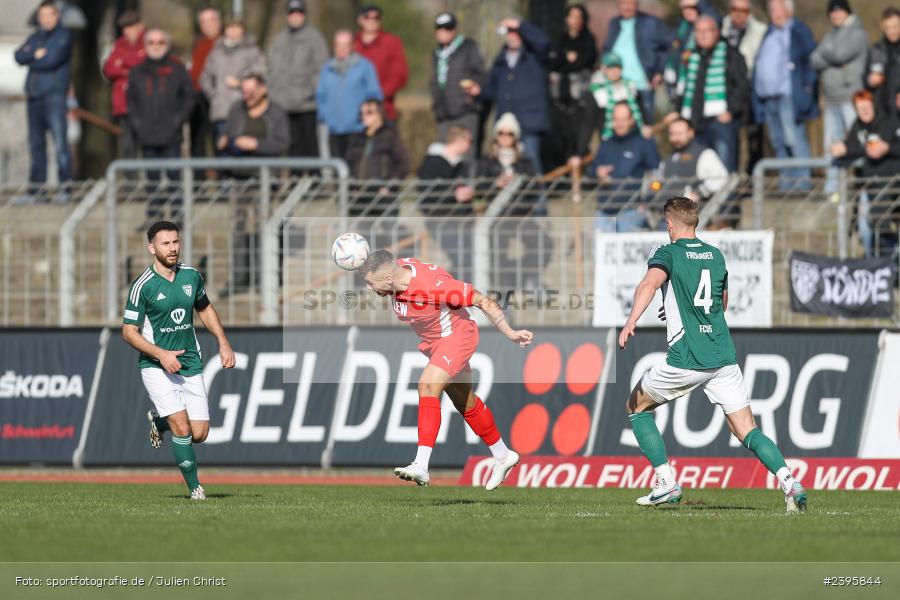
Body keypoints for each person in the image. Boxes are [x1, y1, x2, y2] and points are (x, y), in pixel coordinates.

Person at [619, 196, 807, 512]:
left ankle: (666, 482)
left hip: (688, 357)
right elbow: (721, 302)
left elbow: (649, 285)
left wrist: (631, 320)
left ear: (669, 223)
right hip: (722, 357)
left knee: (636, 406)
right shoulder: (715, 255)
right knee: (746, 429)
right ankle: (789, 482)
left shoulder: (667, 253)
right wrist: (683, 308)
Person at [359, 250, 532, 489]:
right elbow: (383, 261)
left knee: (427, 386)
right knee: (464, 401)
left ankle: (421, 465)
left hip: (456, 338)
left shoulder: (433, 286)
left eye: (371, 283)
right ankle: (503, 456)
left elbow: (481, 300)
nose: (369, 288)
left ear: (388, 280)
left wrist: (510, 332)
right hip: (436, 343)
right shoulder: (397, 270)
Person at [123, 221, 236, 501]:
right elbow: (128, 332)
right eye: (165, 243)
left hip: (189, 362)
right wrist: (160, 354)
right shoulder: (142, 286)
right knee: (182, 428)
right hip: (156, 365)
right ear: (151, 248)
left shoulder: (191, 276)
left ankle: (159, 422)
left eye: (175, 242)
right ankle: (196, 489)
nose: (172, 248)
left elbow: (205, 309)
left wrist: (223, 342)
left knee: (199, 433)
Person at [126, 29, 194, 220]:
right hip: (147, 135)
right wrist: (138, 124)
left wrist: (178, 120)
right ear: (145, 45)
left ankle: (177, 216)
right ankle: (154, 216)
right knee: (152, 178)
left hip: (172, 134)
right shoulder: (138, 71)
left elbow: (189, 97)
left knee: (173, 176)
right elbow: (131, 101)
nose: (156, 46)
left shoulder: (177, 69)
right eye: (152, 42)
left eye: (160, 42)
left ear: (167, 45)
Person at [667, 16, 748, 172]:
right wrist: (678, 110)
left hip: (719, 121)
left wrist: (731, 110)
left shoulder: (730, 54)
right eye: (698, 31)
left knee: (724, 164)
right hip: (695, 121)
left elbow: (741, 85)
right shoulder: (689, 55)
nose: (702, 35)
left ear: (716, 32)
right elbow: (683, 87)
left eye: (707, 31)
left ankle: (727, 189)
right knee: (698, 165)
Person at [752, 0, 818, 189]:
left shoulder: (799, 31)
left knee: (794, 140)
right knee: (778, 143)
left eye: (779, 9)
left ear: (789, 10)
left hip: (789, 97)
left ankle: (802, 184)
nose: (775, 13)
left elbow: (811, 62)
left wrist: (807, 90)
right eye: (772, 10)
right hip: (768, 98)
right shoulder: (769, 32)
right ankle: (786, 185)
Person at [830, 90, 900, 257]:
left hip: (893, 184)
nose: (864, 111)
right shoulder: (857, 125)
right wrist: (839, 148)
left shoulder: (888, 121)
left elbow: (872, 148)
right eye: (860, 108)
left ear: (873, 105)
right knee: (865, 226)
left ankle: (891, 262)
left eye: (867, 107)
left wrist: (887, 148)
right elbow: (853, 146)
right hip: (870, 184)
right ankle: (872, 263)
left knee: (885, 228)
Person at [479, 18, 551, 173]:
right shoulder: (500, 60)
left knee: (531, 167)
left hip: (529, 123)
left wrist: (520, 25)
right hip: (506, 126)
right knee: (504, 167)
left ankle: (536, 191)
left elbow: (544, 42)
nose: (512, 36)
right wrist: (478, 91)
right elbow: (493, 89)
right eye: (510, 33)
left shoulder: (534, 56)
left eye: (516, 33)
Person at [811, 0, 868, 194]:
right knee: (831, 146)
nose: (835, 15)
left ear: (847, 12)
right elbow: (814, 59)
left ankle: (862, 187)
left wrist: (827, 54)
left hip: (851, 99)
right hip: (831, 99)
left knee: (856, 143)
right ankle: (832, 191)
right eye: (832, 12)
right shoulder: (830, 35)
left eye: (839, 11)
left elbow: (839, 54)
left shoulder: (858, 33)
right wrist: (831, 57)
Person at [14, 0, 73, 186]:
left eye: (49, 15)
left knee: (60, 144)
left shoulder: (64, 36)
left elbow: (51, 60)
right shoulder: (35, 37)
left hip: (54, 96)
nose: (46, 19)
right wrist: (35, 55)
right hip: (34, 96)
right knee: (36, 145)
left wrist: (30, 58)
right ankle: (37, 189)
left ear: (57, 16)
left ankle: (65, 187)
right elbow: (17, 56)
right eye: (42, 16)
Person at [268, 0, 328, 161]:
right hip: (283, 104)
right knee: (291, 147)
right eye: (292, 13)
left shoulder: (314, 37)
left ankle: (314, 176)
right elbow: (272, 69)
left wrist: (308, 91)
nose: (295, 16)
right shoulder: (279, 39)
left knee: (310, 145)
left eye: (299, 13)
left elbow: (322, 69)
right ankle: (295, 176)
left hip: (306, 105)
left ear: (304, 15)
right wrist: (273, 93)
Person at [590, 102, 660, 232]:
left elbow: (657, 178)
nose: (620, 123)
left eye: (623, 119)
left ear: (631, 120)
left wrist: (647, 203)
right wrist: (598, 171)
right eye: (616, 119)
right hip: (604, 212)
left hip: (632, 212)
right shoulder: (606, 143)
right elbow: (592, 170)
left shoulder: (643, 143)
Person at [417, 126, 476, 280]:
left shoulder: (462, 165)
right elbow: (426, 193)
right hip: (439, 220)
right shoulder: (432, 162)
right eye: (470, 140)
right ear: (459, 140)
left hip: (461, 220)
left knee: (469, 258)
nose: (471, 145)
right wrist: (453, 194)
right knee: (462, 257)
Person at [316, 30, 383, 162]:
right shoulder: (327, 68)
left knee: (355, 167)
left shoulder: (365, 67)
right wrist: (325, 116)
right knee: (336, 168)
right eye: (338, 45)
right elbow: (320, 95)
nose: (341, 49)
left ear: (352, 46)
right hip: (334, 129)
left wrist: (366, 118)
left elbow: (374, 94)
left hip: (357, 129)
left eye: (345, 45)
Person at [200, 18, 266, 151]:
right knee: (222, 151)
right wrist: (214, 94)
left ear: (243, 30)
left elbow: (261, 75)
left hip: (244, 110)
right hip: (220, 111)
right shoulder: (216, 52)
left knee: (240, 151)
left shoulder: (252, 51)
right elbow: (204, 77)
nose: (233, 31)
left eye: (237, 28)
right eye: (230, 28)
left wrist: (240, 84)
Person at [602, 0, 671, 124]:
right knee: (617, 124)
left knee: (644, 124)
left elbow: (665, 48)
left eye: (630, 3)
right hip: (618, 85)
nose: (627, 7)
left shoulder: (651, 22)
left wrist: (659, 71)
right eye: (623, 3)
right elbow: (607, 49)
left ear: (637, 4)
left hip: (642, 84)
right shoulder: (614, 23)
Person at [546, 4, 597, 171]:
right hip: (559, 100)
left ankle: (583, 172)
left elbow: (585, 62)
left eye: (579, 17)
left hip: (580, 101)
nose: (575, 21)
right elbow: (552, 62)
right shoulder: (558, 39)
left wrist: (565, 63)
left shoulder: (588, 40)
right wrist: (566, 60)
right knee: (560, 139)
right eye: (572, 16)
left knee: (580, 139)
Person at [430, 12, 487, 158]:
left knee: (466, 157)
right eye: (440, 28)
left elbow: (481, 74)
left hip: (465, 112)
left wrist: (476, 86)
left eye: (448, 28)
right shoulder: (437, 53)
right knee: (444, 158)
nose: (443, 32)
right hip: (443, 114)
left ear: (454, 30)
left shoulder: (468, 48)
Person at [657, 118, 731, 227]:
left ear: (691, 133)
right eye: (672, 134)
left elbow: (722, 180)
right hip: (667, 219)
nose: (676, 138)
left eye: (680, 133)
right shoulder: (667, 160)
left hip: (694, 221)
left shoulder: (705, 154)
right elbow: (659, 185)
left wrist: (700, 192)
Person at [722, 0, 767, 173]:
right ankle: (734, 174)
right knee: (732, 137)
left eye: (743, 10)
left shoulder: (760, 31)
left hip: (752, 89)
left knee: (754, 137)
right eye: (735, 9)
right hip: (729, 91)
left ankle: (753, 175)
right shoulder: (722, 29)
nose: (738, 13)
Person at [345, 98, 410, 217]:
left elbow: (403, 164)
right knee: (360, 228)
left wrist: (388, 186)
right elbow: (349, 164)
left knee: (387, 228)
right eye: (362, 113)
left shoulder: (390, 136)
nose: (364, 116)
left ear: (380, 114)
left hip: (383, 195)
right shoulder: (358, 138)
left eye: (369, 112)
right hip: (360, 196)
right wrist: (353, 187)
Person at [102, 10, 145, 160]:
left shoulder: (149, 41)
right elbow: (108, 69)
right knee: (127, 146)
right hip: (123, 103)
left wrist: (122, 63)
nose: (128, 32)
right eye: (125, 28)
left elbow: (144, 67)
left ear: (140, 26)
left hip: (144, 103)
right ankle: (130, 176)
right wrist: (128, 68)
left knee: (147, 145)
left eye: (131, 27)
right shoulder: (119, 43)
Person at [354, 4, 408, 121]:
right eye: (367, 17)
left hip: (383, 110)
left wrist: (376, 95)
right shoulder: (352, 45)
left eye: (376, 17)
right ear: (360, 20)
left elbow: (399, 76)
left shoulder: (392, 43)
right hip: (354, 111)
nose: (372, 20)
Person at [218, 74, 290, 158]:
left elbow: (283, 145)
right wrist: (224, 139)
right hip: (236, 161)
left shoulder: (276, 112)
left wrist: (256, 144)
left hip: (265, 163)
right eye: (244, 93)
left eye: (250, 93)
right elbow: (227, 134)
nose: (246, 97)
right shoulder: (237, 108)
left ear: (263, 89)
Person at [590, 52, 650, 141]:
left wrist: (645, 125)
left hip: (632, 134)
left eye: (617, 67)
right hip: (608, 137)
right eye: (610, 68)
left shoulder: (630, 86)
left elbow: (640, 108)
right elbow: (589, 121)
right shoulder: (598, 91)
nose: (614, 71)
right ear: (604, 70)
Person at [663, 0, 721, 93]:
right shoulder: (681, 27)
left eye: (692, 8)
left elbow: (715, 18)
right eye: (684, 8)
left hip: (699, 81)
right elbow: (673, 51)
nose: (688, 11)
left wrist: (698, 2)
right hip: (679, 82)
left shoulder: (706, 25)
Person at [188, 5, 222, 160]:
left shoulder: (224, 43)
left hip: (217, 98)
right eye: (204, 21)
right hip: (197, 96)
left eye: (211, 20)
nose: (208, 24)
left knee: (218, 141)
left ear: (219, 22)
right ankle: (197, 175)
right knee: (197, 141)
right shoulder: (199, 44)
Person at [866, 8, 900, 120]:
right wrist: (870, 80)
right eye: (887, 27)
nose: (891, 31)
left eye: (895, 26)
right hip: (881, 112)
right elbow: (865, 77)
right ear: (882, 27)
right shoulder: (876, 49)